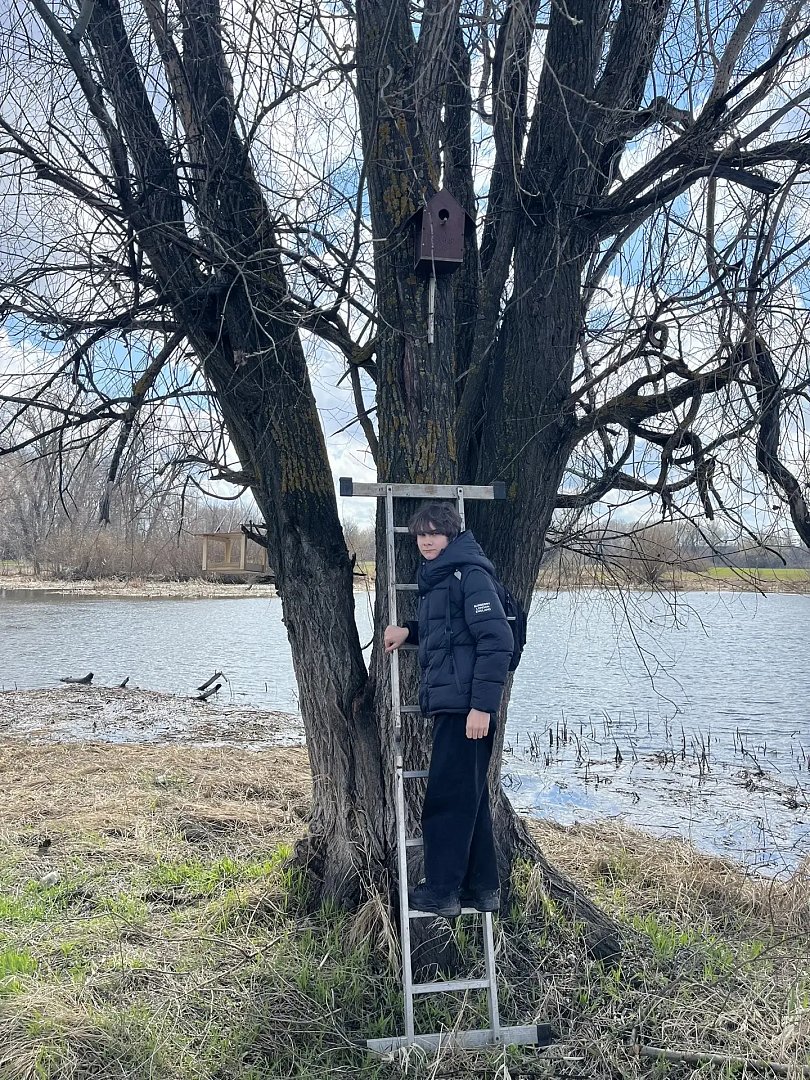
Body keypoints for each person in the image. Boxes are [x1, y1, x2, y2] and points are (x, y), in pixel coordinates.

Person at [384, 502, 513, 919]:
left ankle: (441, 890)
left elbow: (497, 640)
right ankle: (482, 887)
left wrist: (481, 707)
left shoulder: (469, 575)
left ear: (451, 535)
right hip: (457, 704)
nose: (426, 541)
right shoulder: (442, 577)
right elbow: (448, 632)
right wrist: (410, 631)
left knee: (447, 798)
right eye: (421, 534)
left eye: (434, 533)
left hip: (466, 709)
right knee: (469, 798)